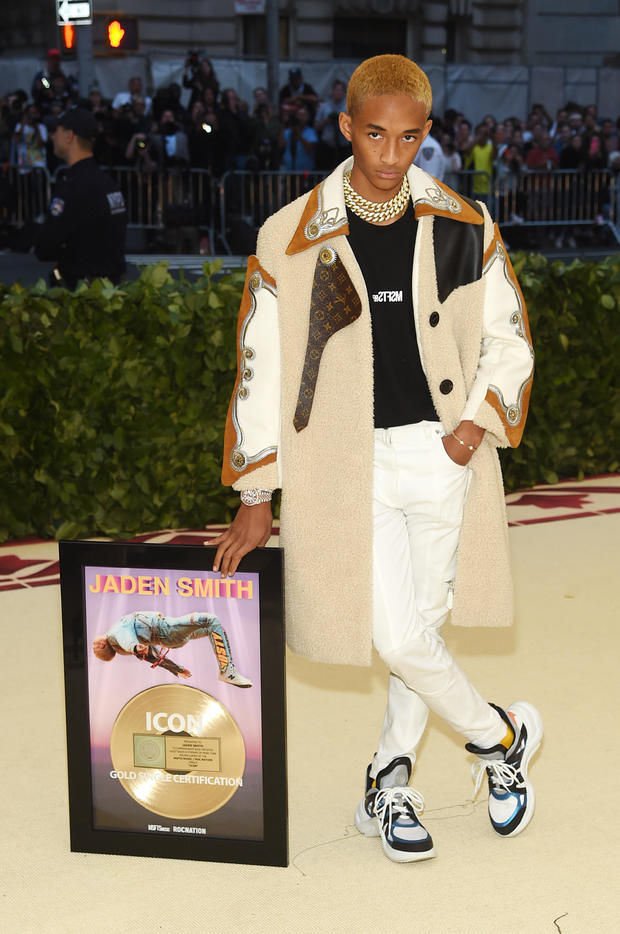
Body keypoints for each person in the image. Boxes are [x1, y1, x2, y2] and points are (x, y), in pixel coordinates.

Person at [213, 54, 542, 865]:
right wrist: (258, 489)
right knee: (396, 633)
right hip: (340, 464)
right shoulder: (289, 236)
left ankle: (388, 777)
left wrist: (470, 429)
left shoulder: (466, 226)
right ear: (344, 128)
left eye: (406, 138)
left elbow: (509, 341)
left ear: (426, 134)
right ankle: (501, 737)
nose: (389, 156)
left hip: (441, 457)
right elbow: (260, 368)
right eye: (373, 136)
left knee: (417, 631)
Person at [34, 107, 126, 289]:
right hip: (111, 289)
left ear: (69, 136)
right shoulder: (109, 183)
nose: (52, 136)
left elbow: (44, 246)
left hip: (80, 294)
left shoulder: (72, 187)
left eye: (56, 131)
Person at [92, 610, 252, 687]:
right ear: (102, 645)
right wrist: (134, 646)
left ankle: (227, 669)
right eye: (95, 647)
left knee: (216, 628)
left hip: (171, 636)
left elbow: (153, 657)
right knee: (211, 620)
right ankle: (227, 671)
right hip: (167, 630)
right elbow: (124, 636)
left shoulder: (119, 646)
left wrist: (176, 669)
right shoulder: (114, 635)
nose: (94, 644)